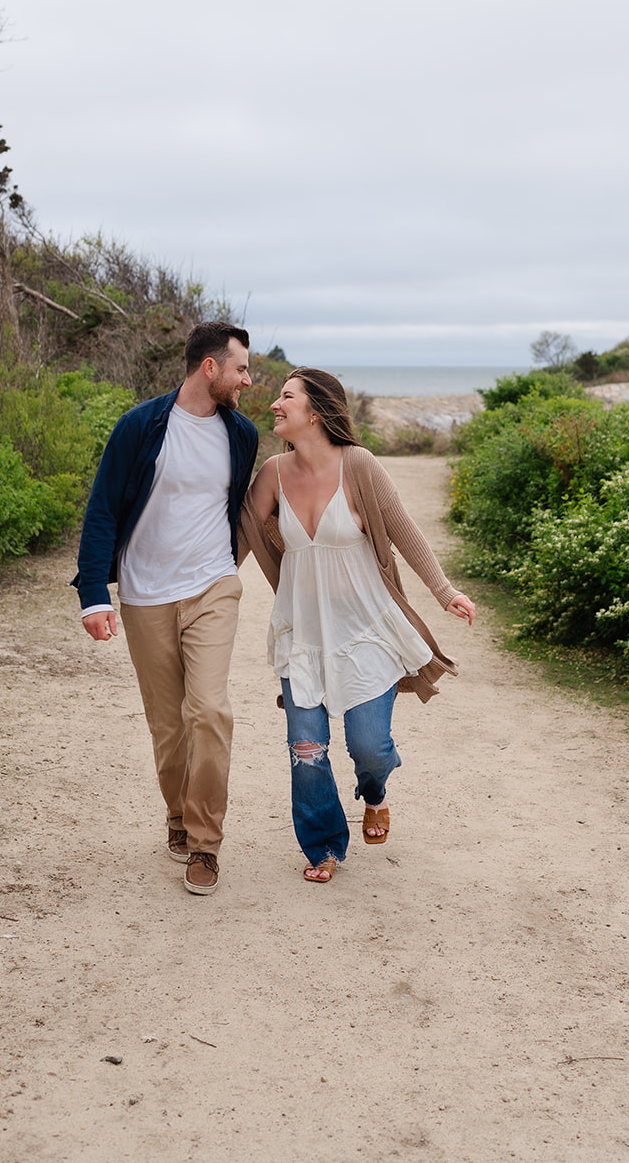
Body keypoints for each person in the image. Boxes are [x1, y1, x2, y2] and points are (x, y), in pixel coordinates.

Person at [241, 368, 475, 883]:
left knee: (369, 748)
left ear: (317, 412)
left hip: (367, 630)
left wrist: (445, 592)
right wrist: (190, 589)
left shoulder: (360, 466)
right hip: (303, 634)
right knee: (307, 749)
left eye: (286, 397)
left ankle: (375, 793)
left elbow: (404, 530)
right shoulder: (271, 474)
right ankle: (324, 845)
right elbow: (236, 543)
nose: (275, 405)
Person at [74, 321, 258, 895]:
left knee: (208, 711)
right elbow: (103, 508)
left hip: (212, 586)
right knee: (168, 725)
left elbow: (242, 511)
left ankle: (205, 844)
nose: (248, 381)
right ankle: (178, 817)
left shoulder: (241, 435)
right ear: (210, 368)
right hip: (146, 592)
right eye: (241, 369)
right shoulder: (140, 426)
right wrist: (93, 596)